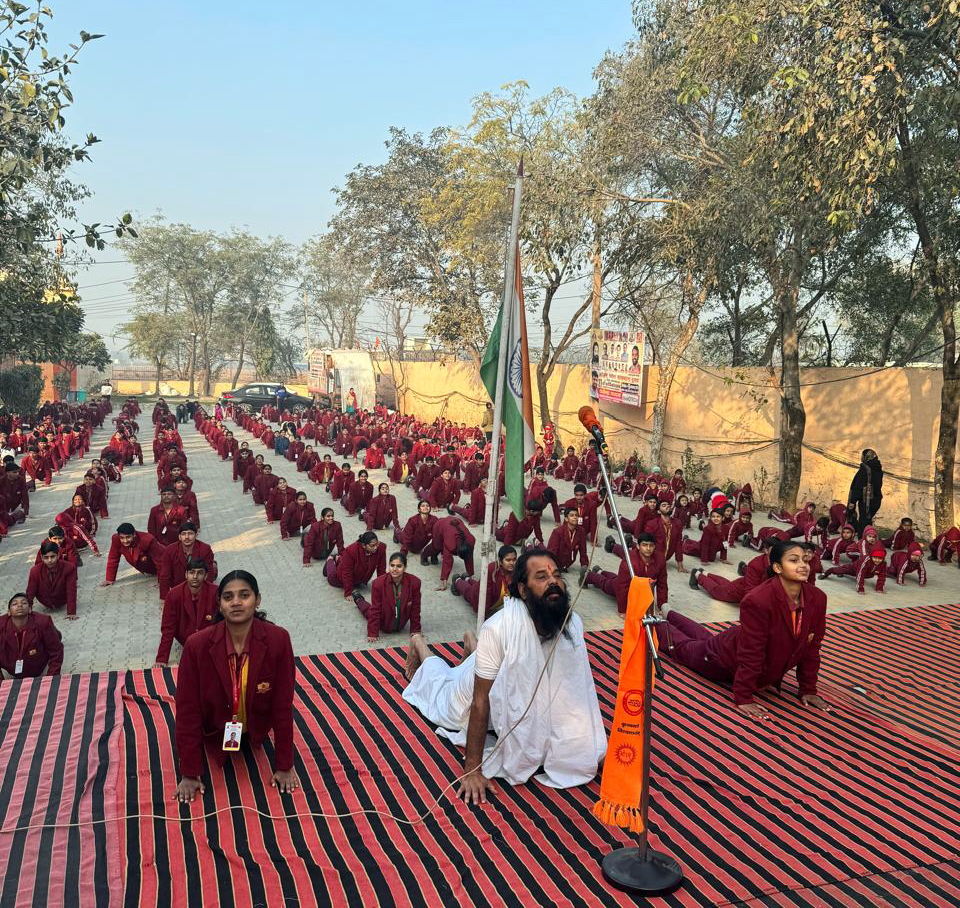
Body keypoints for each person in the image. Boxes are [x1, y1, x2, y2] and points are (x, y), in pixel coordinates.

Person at [403, 549, 606, 800]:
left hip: (495, 664)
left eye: (556, 575)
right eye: (541, 577)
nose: (553, 582)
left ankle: (472, 645)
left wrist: (587, 744)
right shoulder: (499, 628)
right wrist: (473, 769)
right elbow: (480, 700)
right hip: (472, 690)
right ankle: (420, 644)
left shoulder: (572, 623)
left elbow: (575, 687)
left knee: (491, 664)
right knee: (443, 698)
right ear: (522, 590)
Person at [659, 540, 830, 718]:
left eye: (805, 560)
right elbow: (752, 653)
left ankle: (670, 614)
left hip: (733, 641)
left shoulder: (818, 598)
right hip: (722, 659)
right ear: (777, 568)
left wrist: (808, 689)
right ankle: (654, 623)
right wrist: (744, 697)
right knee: (684, 648)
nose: (803, 565)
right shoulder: (759, 600)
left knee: (704, 639)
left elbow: (811, 648)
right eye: (794, 560)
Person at [173, 570, 298, 802]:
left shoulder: (278, 640)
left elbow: (283, 705)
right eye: (228, 597)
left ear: (257, 599)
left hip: (256, 731)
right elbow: (187, 710)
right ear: (219, 604)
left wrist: (284, 765)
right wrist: (189, 773)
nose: (237, 602)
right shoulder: (197, 645)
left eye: (244, 595)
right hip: (214, 732)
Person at [155, 557, 219, 665]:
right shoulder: (174, 594)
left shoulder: (215, 592)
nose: (195, 576)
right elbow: (168, 627)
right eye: (192, 572)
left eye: (200, 573)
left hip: (210, 640)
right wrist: (161, 658)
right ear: (186, 574)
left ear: (206, 576)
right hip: (186, 639)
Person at [361, 552, 423, 645]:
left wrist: (415, 629)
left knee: (370, 609)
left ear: (405, 567)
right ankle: (358, 599)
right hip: (383, 622)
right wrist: (372, 633)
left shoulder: (415, 582)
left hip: (400, 625)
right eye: (392, 565)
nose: (395, 569)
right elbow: (375, 610)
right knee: (368, 610)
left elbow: (415, 608)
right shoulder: (378, 583)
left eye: (399, 566)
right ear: (388, 566)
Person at [0, 592, 63, 678]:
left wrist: (51, 678)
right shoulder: (1, 625)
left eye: (24, 603)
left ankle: (56, 634)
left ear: (30, 610)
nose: (19, 606)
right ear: (9, 612)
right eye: (15, 604)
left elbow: (56, 651)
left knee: (54, 639)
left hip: (37, 664)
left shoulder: (43, 622)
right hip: (11, 666)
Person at [452, 545, 517, 615]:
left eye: (514, 559)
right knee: (468, 591)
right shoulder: (492, 570)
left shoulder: (516, 570)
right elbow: (486, 592)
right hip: (479, 594)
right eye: (508, 560)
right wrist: (484, 612)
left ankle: (466, 578)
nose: (512, 563)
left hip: (490, 594)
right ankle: (457, 580)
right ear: (500, 561)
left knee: (478, 584)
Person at [159, 522, 218, 599]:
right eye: (183, 534)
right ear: (179, 537)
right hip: (178, 585)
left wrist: (207, 594)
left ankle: (215, 566)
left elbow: (209, 574)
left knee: (211, 569)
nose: (186, 537)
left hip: (198, 584)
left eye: (190, 534)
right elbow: (164, 576)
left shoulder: (205, 549)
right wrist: (164, 598)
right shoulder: (169, 550)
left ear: (196, 535)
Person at [324, 531, 387, 601]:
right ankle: (330, 560)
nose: (375, 547)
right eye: (372, 545)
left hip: (359, 578)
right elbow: (347, 572)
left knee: (343, 562)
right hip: (340, 577)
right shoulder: (351, 551)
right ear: (363, 545)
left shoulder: (381, 548)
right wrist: (348, 592)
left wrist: (383, 588)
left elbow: (381, 569)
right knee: (331, 577)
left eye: (376, 544)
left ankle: (338, 558)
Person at [26, 541, 78, 618]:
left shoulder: (69, 568)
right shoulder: (35, 570)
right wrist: (27, 609)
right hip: (44, 600)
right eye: (46, 557)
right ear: (41, 557)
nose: (50, 560)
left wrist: (71, 612)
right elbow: (31, 591)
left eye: (52, 557)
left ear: (58, 555)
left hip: (62, 600)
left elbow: (71, 590)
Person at [847, 448, 883, 534]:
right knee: (867, 519)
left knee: (863, 521)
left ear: (866, 457)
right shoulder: (878, 469)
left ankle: (862, 540)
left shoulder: (865, 469)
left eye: (862, 456)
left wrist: (853, 501)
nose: (861, 457)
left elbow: (858, 486)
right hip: (876, 499)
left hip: (865, 500)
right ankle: (868, 536)